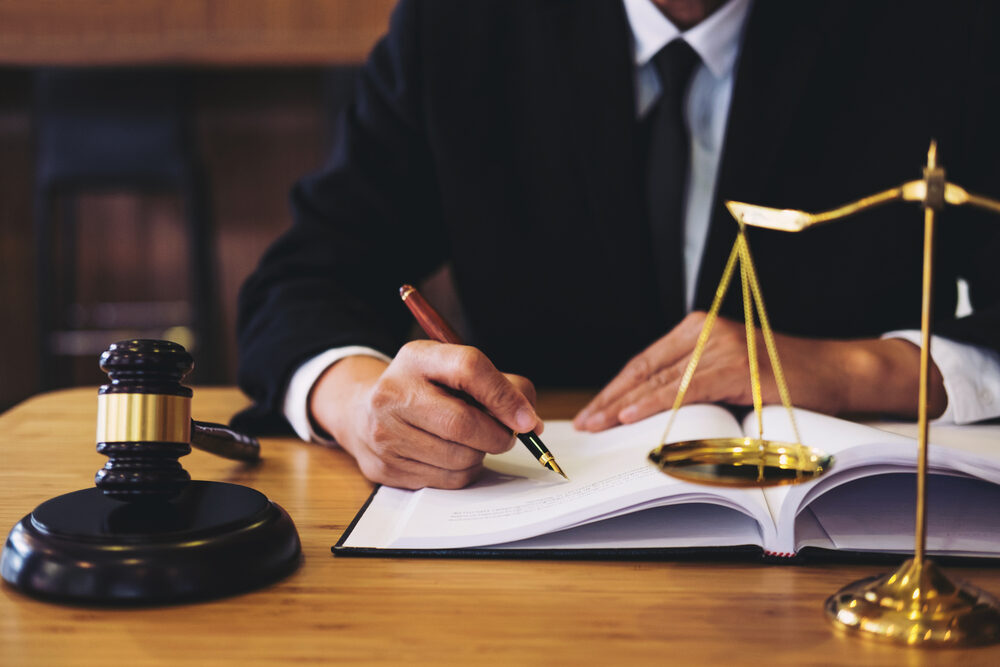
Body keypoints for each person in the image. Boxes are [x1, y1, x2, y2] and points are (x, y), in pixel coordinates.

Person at [235, 0, 1000, 490]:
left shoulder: (945, 27)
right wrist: (358, 400)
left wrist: (849, 367)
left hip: (839, 531)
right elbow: (298, 286)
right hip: (534, 528)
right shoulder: (459, 25)